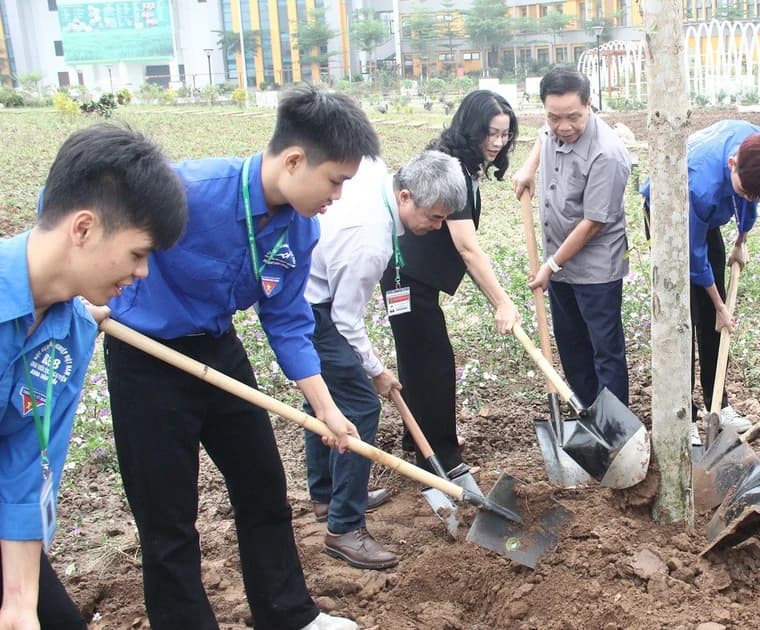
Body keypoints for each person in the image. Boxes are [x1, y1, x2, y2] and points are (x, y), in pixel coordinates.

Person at [103, 86, 378, 630]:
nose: (338, 196)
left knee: (262, 487)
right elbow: (66, 203)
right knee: (168, 517)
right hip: (147, 358)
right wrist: (92, 293)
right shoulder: (192, 190)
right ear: (295, 160)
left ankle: (287, 615)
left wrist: (325, 407)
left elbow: (287, 318)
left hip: (219, 350)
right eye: (335, 181)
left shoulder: (300, 228)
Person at [0, 125, 186, 629]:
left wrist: (18, 604)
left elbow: (24, 461)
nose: (143, 273)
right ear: (83, 229)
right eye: (137, 253)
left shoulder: (70, 332)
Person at [306, 151, 467, 570]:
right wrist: (376, 370)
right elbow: (343, 320)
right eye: (433, 217)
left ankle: (327, 496)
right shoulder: (371, 239)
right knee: (357, 406)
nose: (436, 228)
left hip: (314, 293)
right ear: (406, 196)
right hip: (314, 308)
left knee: (323, 397)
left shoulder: (379, 178)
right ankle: (344, 527)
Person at [380, 90, 520, 476]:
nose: (496, 142)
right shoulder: (451, 169)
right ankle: (442, 458)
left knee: (419, 358)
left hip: (411, 276)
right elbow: (467, 248)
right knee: (432, 362)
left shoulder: (462, 162)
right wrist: (502, 302)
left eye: (504, 134)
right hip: (405, 276)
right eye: (489, 133)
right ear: (470, 128)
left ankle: (421, 437)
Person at [638, 120, 760, 437]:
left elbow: (749, 201)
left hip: (705, 207)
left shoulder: (759, 149)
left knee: (715, 325)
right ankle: (683, 416)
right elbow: (695, 257)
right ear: (732, 164)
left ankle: (717, 403)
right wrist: (719, 305)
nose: (747, 195)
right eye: (742, 189)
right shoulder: (700, 186)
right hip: (668, 208)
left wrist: (740, 243)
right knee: (683, 317)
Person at [513, 67, 633, 406]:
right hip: (559, 260)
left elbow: (593, 221)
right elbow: (542, 135)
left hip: (596, 267)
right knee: (570, 343)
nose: (563, 127)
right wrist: (529, 167)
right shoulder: (553, 128)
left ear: (590, 105)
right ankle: (587, 414)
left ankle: (614, 427)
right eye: (555, 117)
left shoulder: (607, 154)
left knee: (603, 348)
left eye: (573, 118)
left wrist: (550, 265)